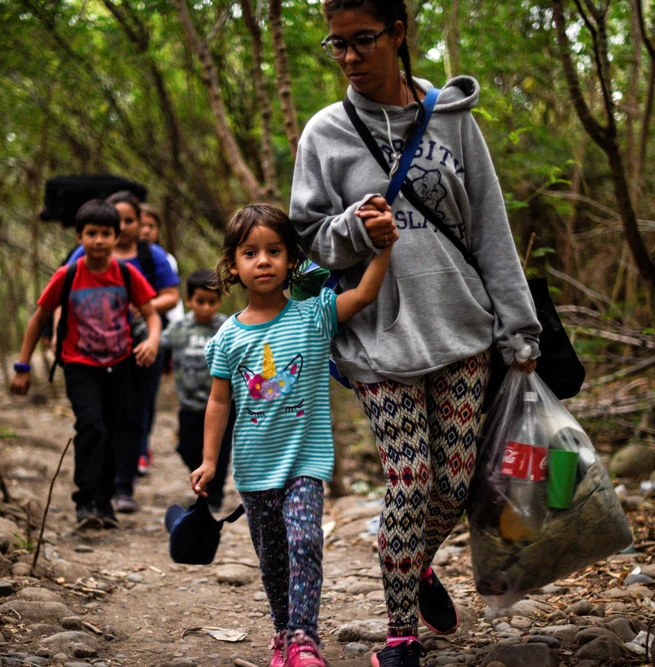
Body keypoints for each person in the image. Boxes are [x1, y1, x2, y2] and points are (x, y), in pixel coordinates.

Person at [288, 2, 541, 665]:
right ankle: (401, 638)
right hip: (378, 337)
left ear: (399, 34)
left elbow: (490, 227)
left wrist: (521, 329)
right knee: (409, 481)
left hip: (463, 330)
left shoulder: (453, 121)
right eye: (335, 44)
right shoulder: (324, 133)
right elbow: (309, 234)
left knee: (452, 487)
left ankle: (415, 564)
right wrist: (353, 228)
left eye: (362, 40)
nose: (347, 57)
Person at [190, 204, 395, 667]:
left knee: (304, 541)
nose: (263, 261)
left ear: (290, 259)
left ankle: (305, 638)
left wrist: (382, 249)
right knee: (272, 558)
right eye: (250, 252)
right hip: (254, 468)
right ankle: (282, 631)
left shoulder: (312, 314)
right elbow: (219, 402)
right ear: (233, 266)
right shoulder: (227, 338)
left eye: (274, 250)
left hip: (305, 460)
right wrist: (208, 461)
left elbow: (362, 295)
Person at [11, 199, 162, 530]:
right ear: (79, 237)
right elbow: (39, 319)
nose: (98, 241)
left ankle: (105, 501)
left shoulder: (126, 273)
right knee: (91, 425)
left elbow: (151, 314)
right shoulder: (68, 275)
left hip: (120, 363)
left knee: (116, 431)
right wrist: (22, 366)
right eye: (91, 233)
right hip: (80, 364)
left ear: (116, 236)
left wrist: (151, 341)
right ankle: (86, 500)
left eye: (105, 233)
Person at [66, 191, 180, 511]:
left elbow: (171, 296)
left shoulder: (151, 256)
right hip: (95, 350)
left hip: (143, 345)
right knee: (99, 419)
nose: (126, 226)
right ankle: (97, 489)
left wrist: (140, 308)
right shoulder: (82, 255)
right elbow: (63, 293)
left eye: (130, 220)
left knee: (134, 415)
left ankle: (123, 486)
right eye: (120, 220)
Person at [161, 268, 233, 513]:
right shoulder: (178, 328)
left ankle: (215, 496)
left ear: (219, 301)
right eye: (200, 302)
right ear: (189, 300)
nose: (205, 308)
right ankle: (203, 477)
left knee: (220, 453)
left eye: (211, 302)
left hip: (223, 405)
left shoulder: (227, 327)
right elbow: (159, 343)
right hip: (190, 405)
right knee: (187, 448)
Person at [133, 202, 183, 475]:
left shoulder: (164, 259)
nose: (146, 231)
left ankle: (142, 449)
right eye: (142, 225)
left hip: (156, 336)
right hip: (119, 338)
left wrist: (174, 345)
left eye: (152, 226)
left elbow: (175, 305)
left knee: (146, 397)